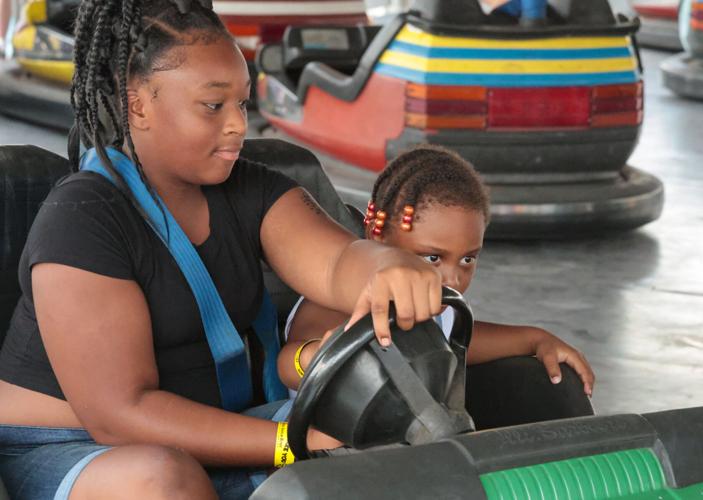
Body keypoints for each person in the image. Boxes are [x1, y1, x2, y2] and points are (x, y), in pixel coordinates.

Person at [0, 1, 444, 499]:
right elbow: (121, 415)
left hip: (219, 426)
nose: (238, 125)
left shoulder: (251, 189)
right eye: (214, 106)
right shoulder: (83, 216)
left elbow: (338, 261)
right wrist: (286, 444)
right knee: (165, 482)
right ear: (139, 102)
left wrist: (386, 266)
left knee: (384, 437)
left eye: (243, 104)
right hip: (73, 446)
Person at [280, 146, 595, 411]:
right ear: (378, 240)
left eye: (468, 259)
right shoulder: (332, 305)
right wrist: (318, 356)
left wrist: (536, 339)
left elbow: (455, 344)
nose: (453, 279)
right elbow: (289, 365)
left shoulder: (436, 307)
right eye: (432, 258)